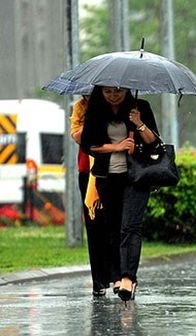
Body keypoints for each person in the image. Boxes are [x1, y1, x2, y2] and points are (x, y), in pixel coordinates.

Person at [81, 86, 159, 302]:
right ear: (100, 93)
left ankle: (128, 278)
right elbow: (89, 145)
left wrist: (139, 124)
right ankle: (116, 275)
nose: (113, 96)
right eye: (107, 92)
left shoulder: (140, 107)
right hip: (107, 178)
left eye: (118, 91)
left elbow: (154, 142)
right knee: (113, 227)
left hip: (136, 177)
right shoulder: (96, 111)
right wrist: (116, 147)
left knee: (131, 226)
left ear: (127, 90)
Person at [70, 95, 111, 297]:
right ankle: (99, 281)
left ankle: (119, 276)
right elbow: (77, 136)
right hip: (87, 172)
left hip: (113, 170)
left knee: (112, 224)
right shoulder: (80, 107)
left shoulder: (114, 104)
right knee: (93, 224)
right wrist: (91, 118)